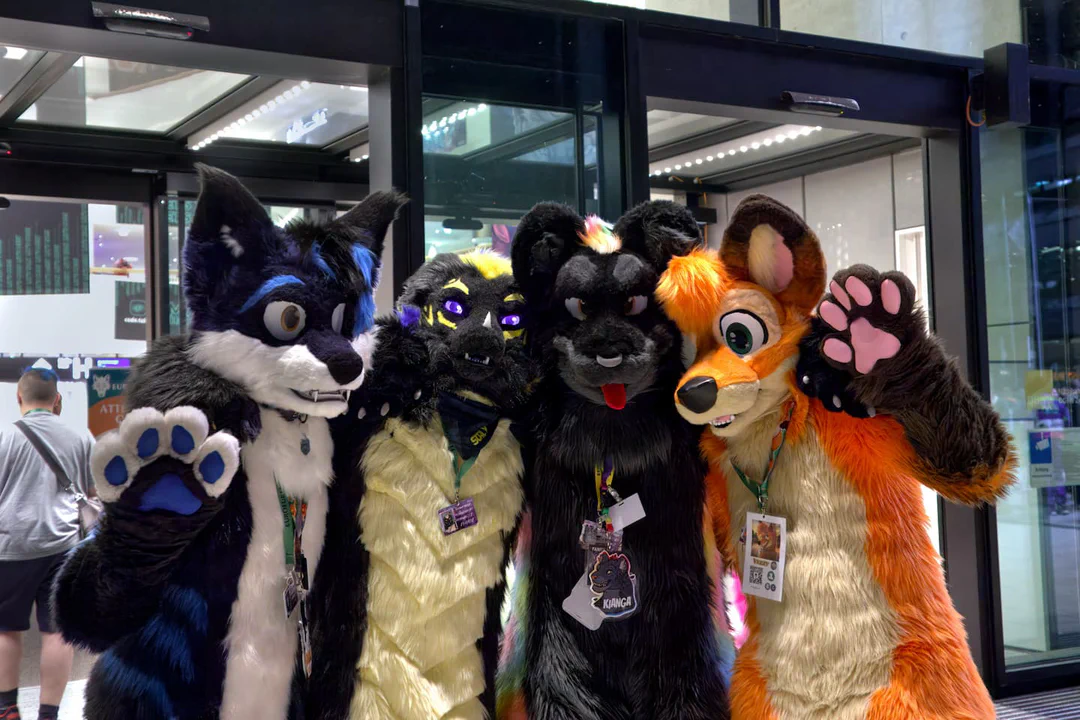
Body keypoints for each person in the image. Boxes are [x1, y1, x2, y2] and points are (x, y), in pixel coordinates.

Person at [0, 369, 94, 720]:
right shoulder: (79, 437)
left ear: (19, 398)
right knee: (58, 633)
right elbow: (93, 492)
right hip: (62, 549)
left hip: (10, 549)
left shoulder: (5, 436)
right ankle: (48, 715)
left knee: (6, 630)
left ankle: (7, 709)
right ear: (57, 401)